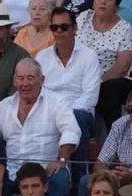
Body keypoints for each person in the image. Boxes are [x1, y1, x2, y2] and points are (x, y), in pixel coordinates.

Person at [0, 58, 79, 196]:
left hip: (46, 170)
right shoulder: (3, 106)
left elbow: (71, 131)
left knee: (60, 178)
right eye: (21, 78)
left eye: (30, 78)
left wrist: (61, 160)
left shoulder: (57, 102)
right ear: (14, 81)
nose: (25, 84)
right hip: (12, 170)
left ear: (42, 80)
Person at [37, 7, 100, 176]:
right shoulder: (42, 57)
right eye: (54, 27)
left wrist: (64, 114)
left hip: (79, 111)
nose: (58, 32)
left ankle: (80, 177)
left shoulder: (89, 56)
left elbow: (90, 97)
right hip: (49, 111)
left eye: (64, 27)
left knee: (77, 118)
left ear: (75, 28)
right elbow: (38, 92)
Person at [76, 0, 132, 135]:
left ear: (116, 6)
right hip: (81, 77)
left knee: (108, 90)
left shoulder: (124, 28)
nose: (103, 2)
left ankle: (116, 138)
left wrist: (95, 81)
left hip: (113, 79)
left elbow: (123, 66)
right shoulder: (83, 18)